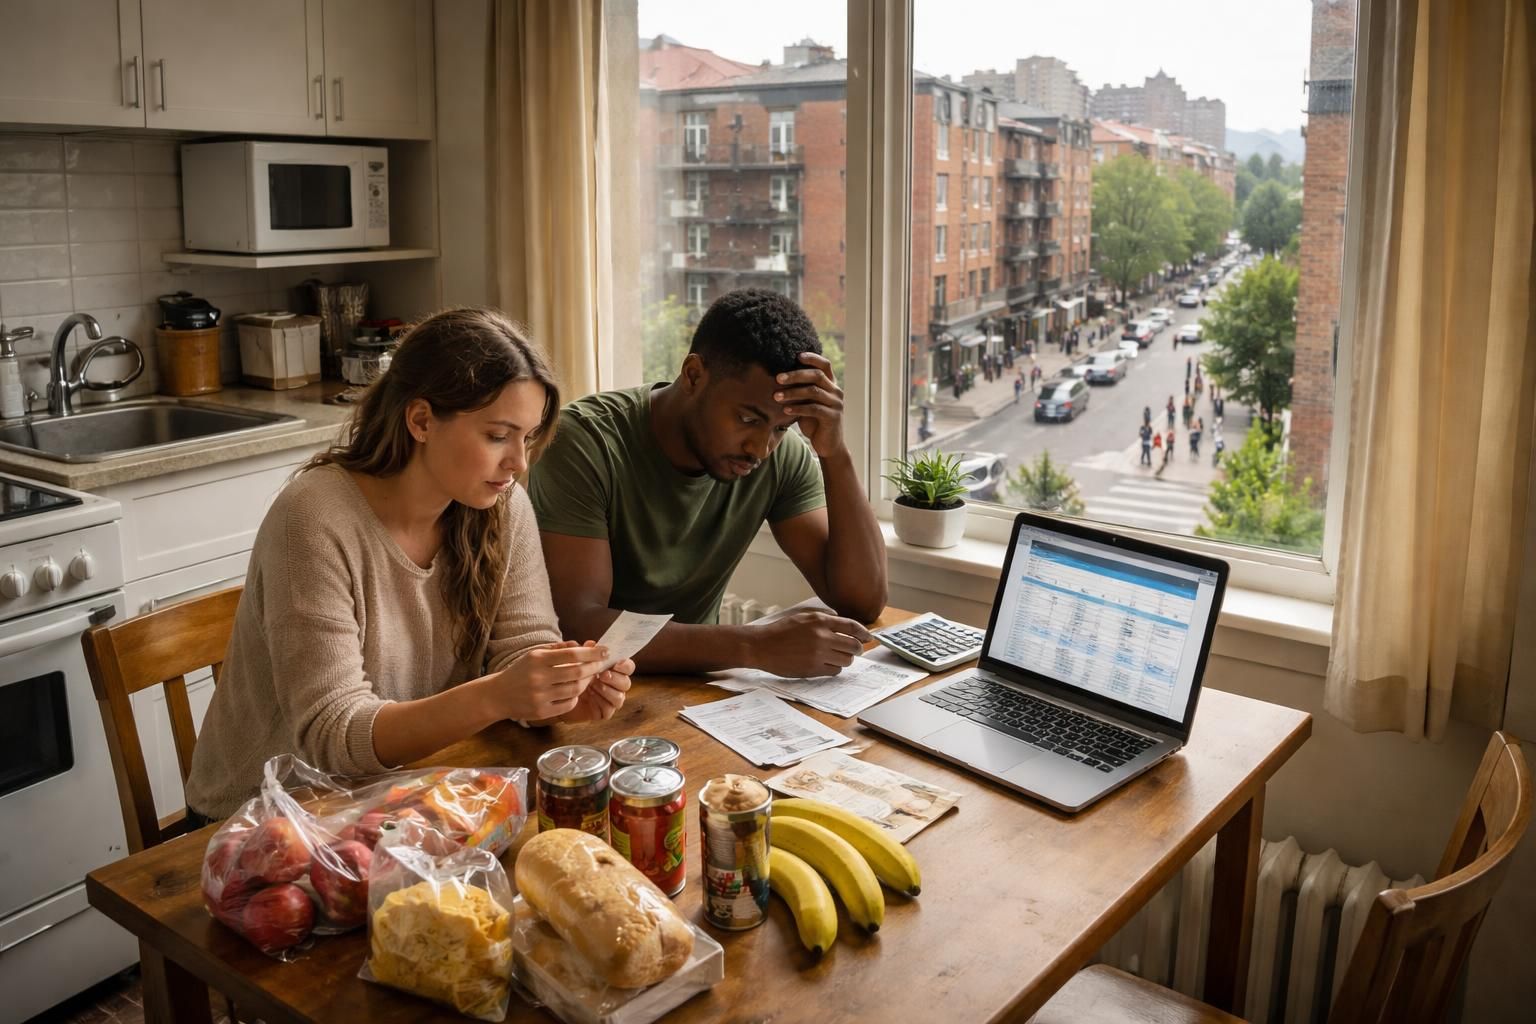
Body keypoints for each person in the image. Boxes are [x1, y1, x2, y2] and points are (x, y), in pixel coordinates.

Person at [182, 309, 636, 820]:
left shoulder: (501, 505)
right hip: (265, 819)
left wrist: (557, 695)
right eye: (497, 436)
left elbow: (521, 648)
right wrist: (498, 696)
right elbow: (332, 735)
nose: (519, 462)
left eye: (527, 437)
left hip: (400, 798)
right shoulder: (312, 519)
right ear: (421, 421)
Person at [530, 288, 887, 678]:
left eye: (782, 428)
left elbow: (862, 603)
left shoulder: (780, 457)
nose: (761, 448)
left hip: (700, 686)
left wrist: (834, 453)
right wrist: (754, 645)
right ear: (694, 375)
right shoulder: (584, 442)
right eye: (748, 419)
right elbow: (580, 625)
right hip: (589, 690)